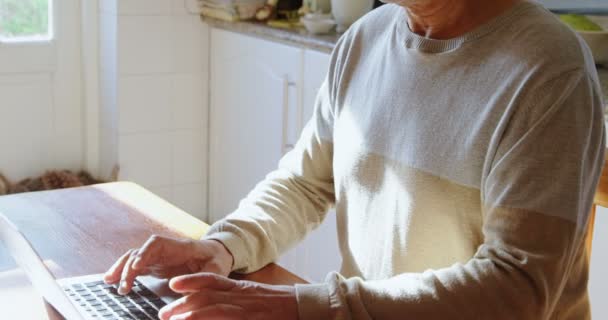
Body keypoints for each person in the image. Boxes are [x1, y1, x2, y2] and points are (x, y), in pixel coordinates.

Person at [104, 0, 606, 319]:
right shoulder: (366, 38)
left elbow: (516, 288)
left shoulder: (548, 70)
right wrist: (223, 247)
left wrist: (307, 307)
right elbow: (305, 183)